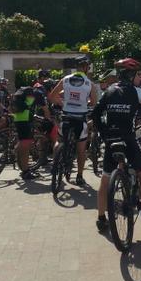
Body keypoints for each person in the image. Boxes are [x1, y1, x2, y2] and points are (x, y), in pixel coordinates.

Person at [92, 57, 141, 232]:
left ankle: (100, 218)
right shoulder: (137, 92)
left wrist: (104, 133)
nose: (140, 78)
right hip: (128, 139)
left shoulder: (109, 91)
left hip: (111, 139)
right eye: (138, 75)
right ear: (133, 75)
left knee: (105, 181)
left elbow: (96, 114)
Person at [49, 54, 97, 187]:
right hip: (80, 119)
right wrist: (84, 102)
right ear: (86, 67)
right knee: (81, 149)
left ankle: (55, 162)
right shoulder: (90, 84)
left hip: (66, 116)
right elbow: (93, 102)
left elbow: (52, 96)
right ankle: (79, 176)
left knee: (59, 141)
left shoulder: (65, 79)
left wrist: (63, 103)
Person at [12, 86, 49, 180]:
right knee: (26, 146)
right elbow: (45, 109)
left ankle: (17, 151)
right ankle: (25, 171)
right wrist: (48, 119)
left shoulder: (24, 94)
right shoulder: (38, 94)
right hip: (25, 120)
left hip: (18, 118)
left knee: (22, 142)